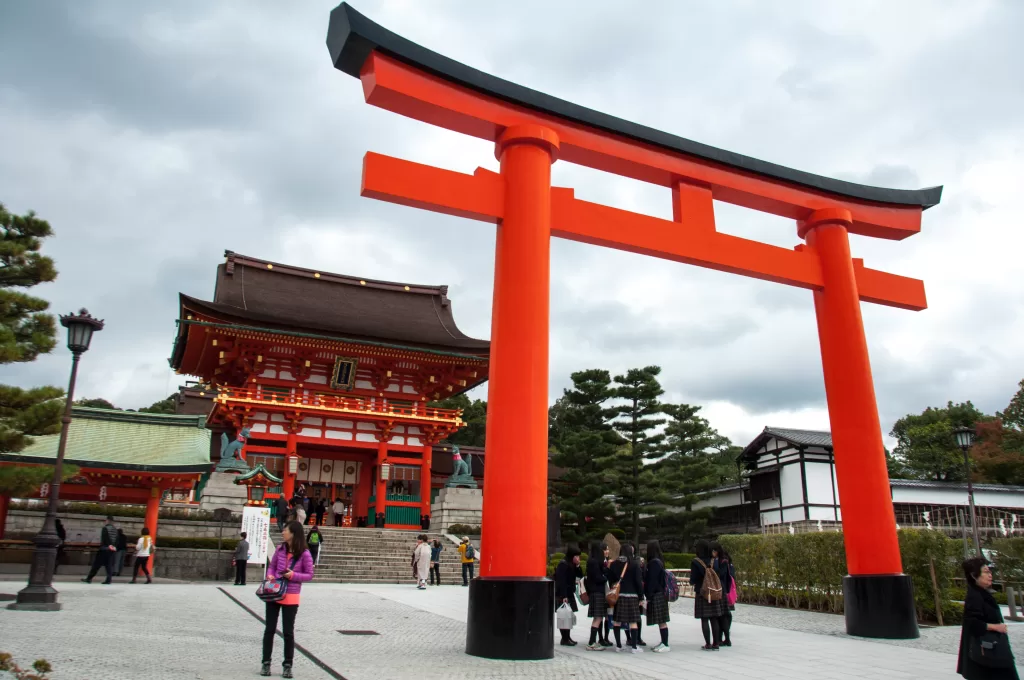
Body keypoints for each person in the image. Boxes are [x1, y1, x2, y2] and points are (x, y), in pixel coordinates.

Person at [261, 520, 314, 678]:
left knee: (288, 632)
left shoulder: (304, 553)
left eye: (285, 530)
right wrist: (270, 574)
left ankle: (288, 665)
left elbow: (309, 575)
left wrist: (293, 575)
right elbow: (272, 566)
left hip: (291, 595)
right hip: (275, 592)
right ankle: (265, 663)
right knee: (269, 629)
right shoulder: (280, 549)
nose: (283, 532)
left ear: (293, 533)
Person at [958, 557, 1019, 680]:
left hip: (991, 651)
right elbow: (971, 623)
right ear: (974, 575)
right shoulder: (974, 596)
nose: (990, 575)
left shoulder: (982, 592)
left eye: (990, 571)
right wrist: (996, 627)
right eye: (986, 572)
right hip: (986, 652)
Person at [691, 539, 725, 650]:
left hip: (702, 592)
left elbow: (693, 579)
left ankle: (708, 643)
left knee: (704, 619)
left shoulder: (696, 562)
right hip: (713, 592)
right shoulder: (713, 560)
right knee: (714, 618)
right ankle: (716, 643)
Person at [613, 543, 645, 654]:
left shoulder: (615, 563)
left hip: (619, 595)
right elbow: (638, 582)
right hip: (632, 595)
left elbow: (611, 577)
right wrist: (641, 596)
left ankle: (618, 646)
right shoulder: (634, 564)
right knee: (633, 621)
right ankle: (634, 647)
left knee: (617, 621)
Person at [645, 540, 671, 653]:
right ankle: (663, 642)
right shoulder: (659, 561)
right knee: (661, 620)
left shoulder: (654, 563)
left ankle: (665, 643)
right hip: (660, 593)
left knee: (662, 620)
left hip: (657, 594)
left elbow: (652, 581)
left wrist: (648, 595)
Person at [554, 545, 583, 646]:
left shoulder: (572, 564)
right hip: (564, 594)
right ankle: (564, 638)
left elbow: (581, 575)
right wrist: (564, 595)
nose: (578, 558)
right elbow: (561, 581)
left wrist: (578, 565)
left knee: (569, 616)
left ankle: (568, 637)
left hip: (570, 593)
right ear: (572, 556)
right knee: (564, 616)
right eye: (577, 556)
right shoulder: (563, 564)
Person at [585, 541, 609, 651]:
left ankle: (592, 641)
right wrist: (605, 577)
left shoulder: (592, 561)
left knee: (597, 618)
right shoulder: (594, 562)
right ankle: (591, 642)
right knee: (598, 618)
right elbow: (598, 578)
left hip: (595, 592)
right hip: (597, 592)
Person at [711, 541, 734, 647]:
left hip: (721, 590)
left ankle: (727, 639)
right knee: (721, 615)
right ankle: (721, 639)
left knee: (723, 615)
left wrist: (713, 566)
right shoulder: (718, 560)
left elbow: (721, 574)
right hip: (719, 590)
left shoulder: (724, 561)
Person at [82, 515, 117, 584]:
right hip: (112, 549)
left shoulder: (105, 528)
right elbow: (116, 540)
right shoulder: (115, 530)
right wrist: (113, 546)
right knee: (109, 565)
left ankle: (89, 578)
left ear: (107, 520)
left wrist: (103, 546)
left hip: (104, 549)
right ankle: (108, 579)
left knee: (96, 564)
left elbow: (104, 539)